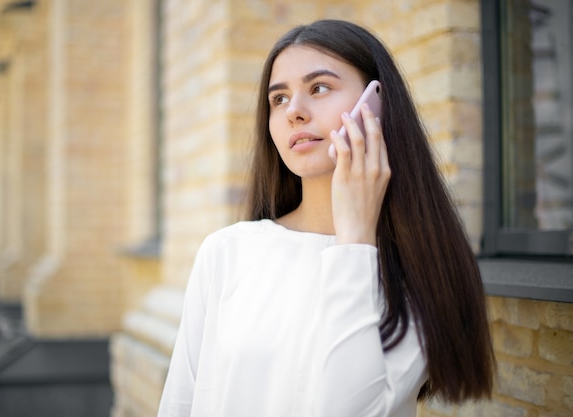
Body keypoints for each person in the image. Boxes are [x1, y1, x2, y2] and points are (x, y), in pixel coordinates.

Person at [158, 19, 494, 417]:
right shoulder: (226, 251)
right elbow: (180, 403)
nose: (294, 113)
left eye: (319, 88)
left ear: (377, 104)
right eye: (278, 99)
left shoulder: (420, 271)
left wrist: (354, 239)